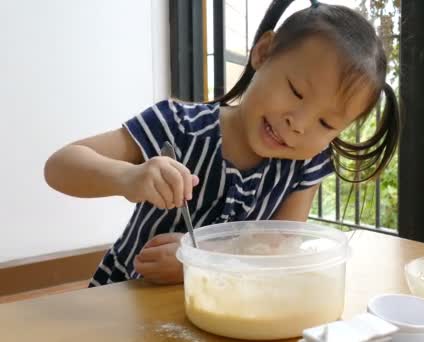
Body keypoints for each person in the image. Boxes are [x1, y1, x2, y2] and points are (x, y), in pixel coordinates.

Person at [44, 0, 400, 287]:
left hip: (225, 301)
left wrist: (197, 263)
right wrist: (128, 177)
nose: (298, 125)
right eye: (296, 91)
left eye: (325, 123)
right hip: (127, 296)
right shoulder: (177, 126)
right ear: (263, 52)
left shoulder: (305, 164)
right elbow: (61, 165)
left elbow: (279, 246)